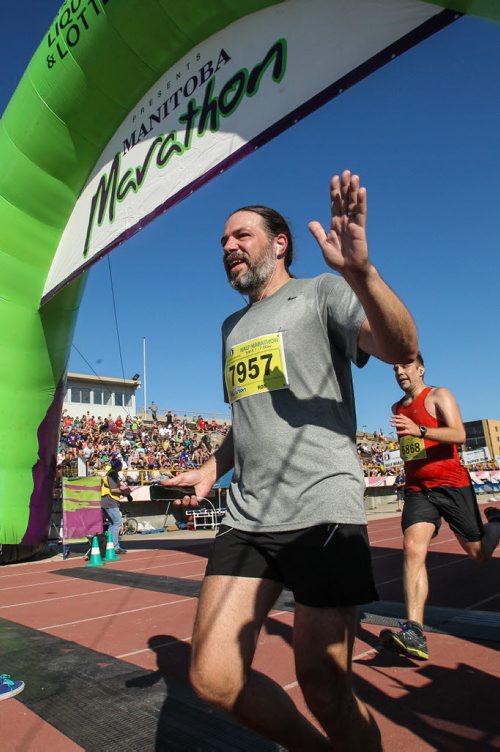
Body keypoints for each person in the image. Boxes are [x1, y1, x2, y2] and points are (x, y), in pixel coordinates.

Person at [161, 170, 418, 751]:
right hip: (248, 517)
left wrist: (360, 272)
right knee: (212, 678)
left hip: (321, 508)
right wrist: (210, 468)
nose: (227, 247)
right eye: (222, 242)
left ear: (280, 243)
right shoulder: (230, 328)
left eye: (241, 236)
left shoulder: (324, 292)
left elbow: (403, 348)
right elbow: (245, 417)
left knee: (323, 683)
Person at [380, 353, 500, 661]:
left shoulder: (438, 395)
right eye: (395, 368)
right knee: (411, 548)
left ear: (420, 369)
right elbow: (414, 450)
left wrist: (419, 430)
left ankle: (496, 523)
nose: (400, 372)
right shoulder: (397, 409)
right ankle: (414, 632)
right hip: (419, 489)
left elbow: (458, 434)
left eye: (405, 366)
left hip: (452, 485)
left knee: (479, 554)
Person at [100, 458, 132, 555]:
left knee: (112, 523)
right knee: (117, 522)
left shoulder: (112, 473)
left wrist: (127, 494)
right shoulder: (112, 474)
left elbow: (117, 487)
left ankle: (110, 546)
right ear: (118, 466)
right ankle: (115, 546)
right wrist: (124, 492)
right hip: (110, 501)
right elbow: (113, 490)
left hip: (107, 501)